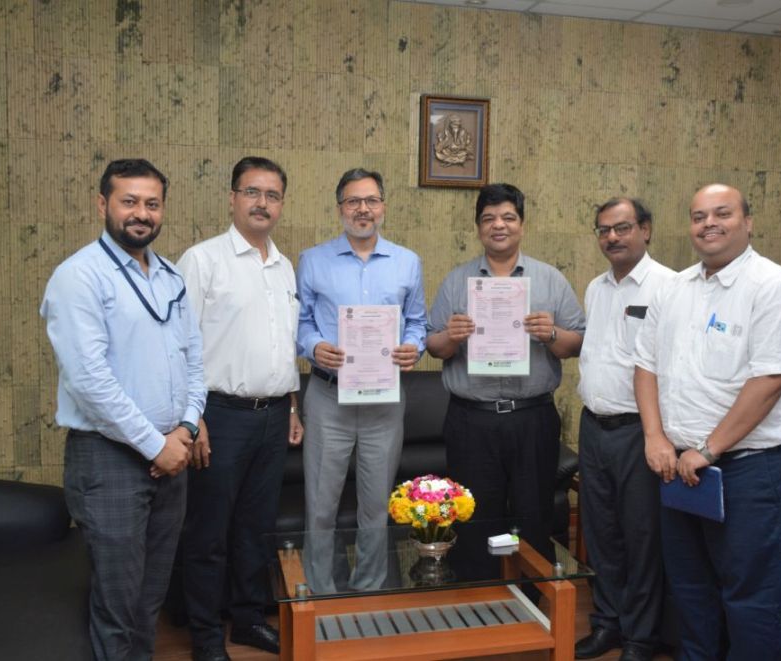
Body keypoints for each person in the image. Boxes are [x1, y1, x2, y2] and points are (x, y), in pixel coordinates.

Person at [634, 184, 781, 661]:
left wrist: (708, 449)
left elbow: (770, 380)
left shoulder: (773, 286)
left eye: (722, 213)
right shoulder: (674, 287)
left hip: (747, 471)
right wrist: (654, 437)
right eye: (698, 216)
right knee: (690, 589)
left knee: (749, 597)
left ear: (748, 222)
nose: (708, 223)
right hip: (678, 469)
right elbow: (645, 365)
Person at [40, 158, 206, 661]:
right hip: (110, 460)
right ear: (102, 204)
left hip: (170, 454)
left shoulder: (171, 277)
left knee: (148, 601)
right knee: (117, 604)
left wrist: (184, 426)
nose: (141, 213)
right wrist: (157, 444)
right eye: (128, 201)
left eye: (151, 203)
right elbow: (90, 382)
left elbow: (195, 362)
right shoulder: (79, 277)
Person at [176, 157, 303, 661]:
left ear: (281, 205)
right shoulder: (202, 260)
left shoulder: (284, 265)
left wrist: (292, 404)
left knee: (257, 527)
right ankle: (206, 636)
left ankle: (249, 620)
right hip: (219, 416)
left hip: (274, 416)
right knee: (209, 532)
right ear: (232, 198)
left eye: (272, 195)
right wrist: (194, 417)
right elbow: (180, 345)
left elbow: (282, 345)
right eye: (252, 192)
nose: (261, 203)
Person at [426, 183, 585, 557]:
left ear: (522, 225)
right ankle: (481, 600)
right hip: (472, 420)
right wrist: (451, 337)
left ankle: (532, 601)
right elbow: (433, 347)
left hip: (532, 417)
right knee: (475, 517)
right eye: (489, 218)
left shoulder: (550, 279)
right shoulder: (457, 280)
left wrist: (551, 334)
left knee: (534, 514)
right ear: (479, 227)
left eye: (508, 217)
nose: (499, 225)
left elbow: (576, 344)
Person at [296, 167, 426, 589]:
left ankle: (368, 591)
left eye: (371, 200)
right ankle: (320, 592)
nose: (363, 209)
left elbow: (417, 323)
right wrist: (314, 346)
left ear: (383, 206)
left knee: (375, 506)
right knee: (320, 504)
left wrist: (413, 346)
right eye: (353, 201)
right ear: (340, 209)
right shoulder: (313, 260)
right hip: (328, 397)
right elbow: (298, 323)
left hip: (384, 401)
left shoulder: (408, 262)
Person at [575, 198, 674, 661]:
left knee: (641, 537)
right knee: (602, 534)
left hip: (640, 432)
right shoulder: (596, 288)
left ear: (646, 230)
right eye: (603, 230)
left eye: (622, 228)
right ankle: (608, 623)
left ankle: (641, 636)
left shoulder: (670, 288)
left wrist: (659, 436)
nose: (611, 237)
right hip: (594, 427)